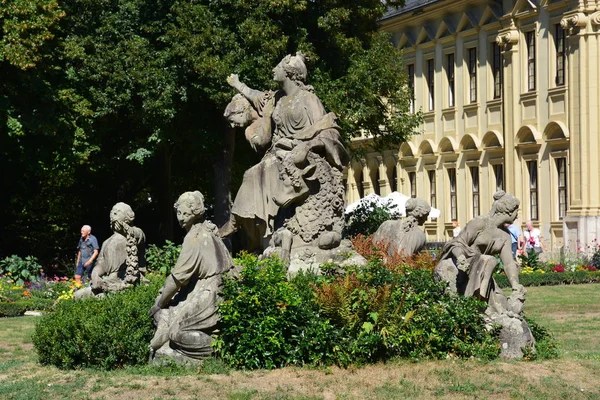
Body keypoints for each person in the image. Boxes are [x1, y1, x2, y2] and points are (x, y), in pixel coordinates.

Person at [220, 52, 349, 251]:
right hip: (279, 153)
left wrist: (307, 146)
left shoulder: (308, 99)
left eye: (278, 66)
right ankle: (249, 229)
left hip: (304, 154)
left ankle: (242, 224)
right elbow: (255, 95)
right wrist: (237, 84)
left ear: (289, 72)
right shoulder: (276, 99)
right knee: (254, 172)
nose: (273, 69)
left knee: (258, 172)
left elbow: (328, 129)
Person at [149, 191, 233, 362]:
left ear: (195, 213)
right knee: (170, 312)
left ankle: (222, 348)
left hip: (212, 291)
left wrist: (159, 303)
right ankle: (164, 333)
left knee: (177, 332)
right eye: (178, 213)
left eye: (185, 213)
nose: (181, 218)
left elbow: (176, 279)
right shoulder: (206, 230)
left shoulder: (194, 237)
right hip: (210, 286)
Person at [435, 191, 524, 301]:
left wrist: (515, 286)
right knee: (490, 260)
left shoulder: (505, 236)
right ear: (509, 211)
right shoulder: (480, 223)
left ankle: (481, 302)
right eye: (516, 211)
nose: (517, 215)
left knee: (502, 302)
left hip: (481, 272)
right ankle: (478, 301)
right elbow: (456, 243)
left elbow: (509, 263)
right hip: (460, 268)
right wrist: (460, 258)